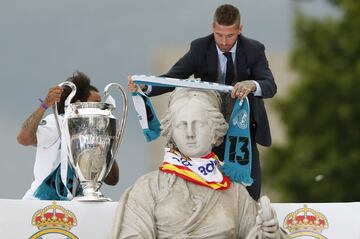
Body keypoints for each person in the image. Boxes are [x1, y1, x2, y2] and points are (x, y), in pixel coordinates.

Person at [128, 4, 276, 201]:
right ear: (212, 27)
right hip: (208, 131)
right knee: (206, 193)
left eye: (230, 36)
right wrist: (145, 88)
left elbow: (270, 86)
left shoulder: (254, 50)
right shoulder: (199, 48)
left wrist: (252, 84)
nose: (223, 42)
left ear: (240, 30)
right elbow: (174, 78)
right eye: (218, 35)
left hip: (242, 132)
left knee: (250, 194)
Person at [110, 88, 287, 239]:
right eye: (181, 125)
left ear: (214, 130)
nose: (190, 133)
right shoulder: (148, 187)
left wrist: (270, 232)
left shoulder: (235, 193)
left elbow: (260, 234)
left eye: (198, 124)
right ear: (171, 131)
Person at [17, 71, 119, 200]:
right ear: (78, 103)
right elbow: (24, 138)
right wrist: (44, 105)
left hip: (76, 206)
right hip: (40, 203)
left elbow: (113, 180)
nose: (100, 108)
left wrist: (106, 145)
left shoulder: (97, 134)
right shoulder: (58, 121)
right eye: (96, 102)